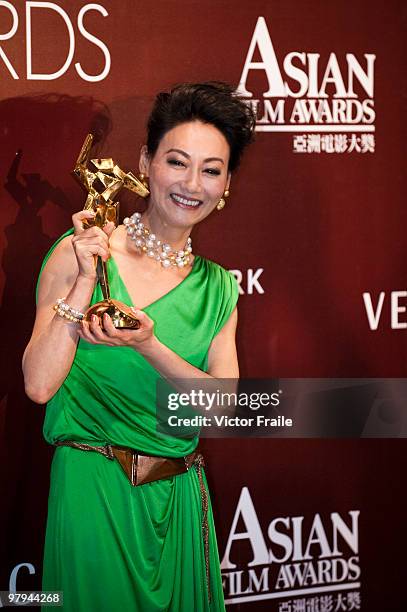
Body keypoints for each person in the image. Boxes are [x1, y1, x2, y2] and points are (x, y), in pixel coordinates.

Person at [22, 81, 255, 612]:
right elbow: (38, 386)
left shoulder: (220, 289)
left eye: (212, 169)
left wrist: (150, 345)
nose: (192, 184)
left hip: (176, 504)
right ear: (146, 162)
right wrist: (84, 282)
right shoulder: (81, 254)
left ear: (226, 185)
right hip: (92, 495)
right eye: (177, 162)